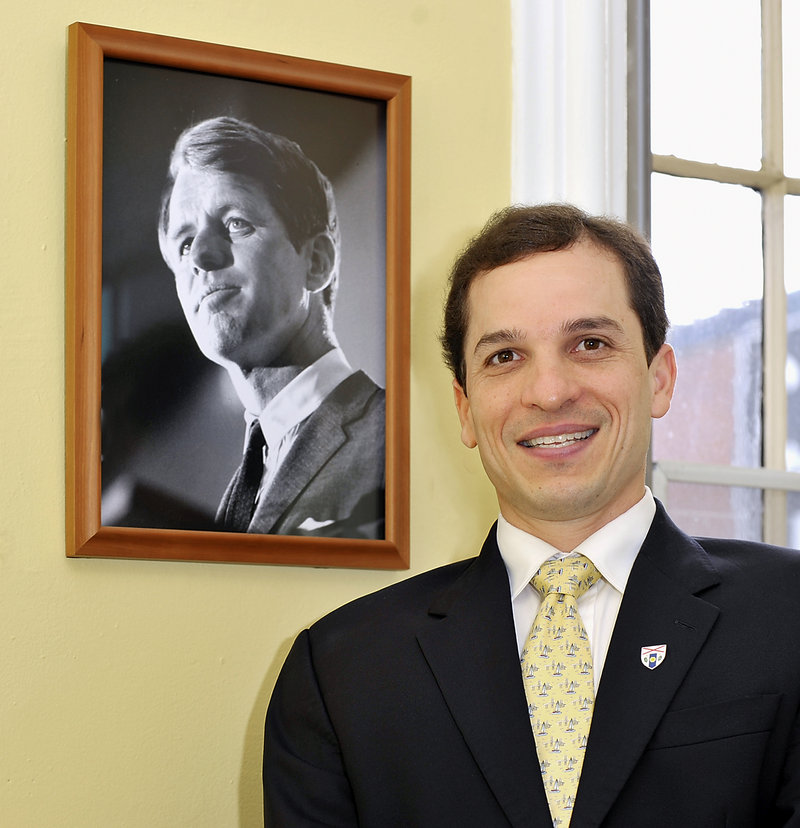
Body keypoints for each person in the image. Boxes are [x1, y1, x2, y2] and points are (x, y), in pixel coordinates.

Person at [262, 203, 800, 826]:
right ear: (464, 407)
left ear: (659, 377)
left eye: (590, 344)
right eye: (504, 357)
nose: (549, 391)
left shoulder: (789, 616)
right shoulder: (340, 673)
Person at [158, 116, 385, 539]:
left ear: (316, 262)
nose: (200, 257)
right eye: (184, 242)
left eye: (235, 223)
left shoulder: (390, 441)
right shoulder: (245, 485)